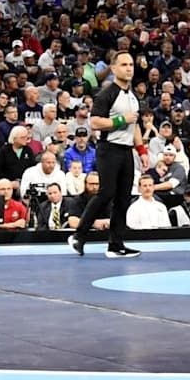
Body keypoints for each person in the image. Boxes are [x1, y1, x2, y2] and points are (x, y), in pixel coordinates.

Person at [69, 50, 145, 259]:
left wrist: (142, 150)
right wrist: (121, 120)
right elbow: (94, 123)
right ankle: (79, 235)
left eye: (131, 64)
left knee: (123, 198)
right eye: (124, 65)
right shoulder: (107, 93)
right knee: (106, 192)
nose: (129, 68)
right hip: (109, 148)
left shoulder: (132, 96)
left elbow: (135, 123)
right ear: (113, 68)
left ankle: (116, 244)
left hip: (126, 150)